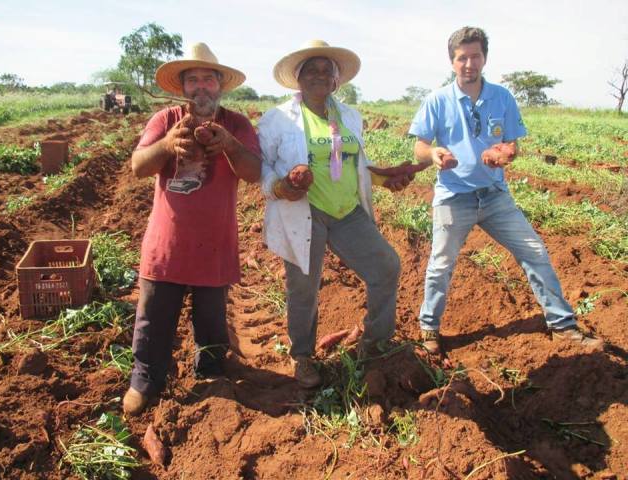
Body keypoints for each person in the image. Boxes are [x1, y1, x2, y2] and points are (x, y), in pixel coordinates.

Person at [409, 26, 603, 354]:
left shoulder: (502, 97)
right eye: (461, 58)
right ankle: (429, 329)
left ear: (484, 57)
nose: (469, 63)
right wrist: (433, 154)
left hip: (495, 196)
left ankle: (562, 326)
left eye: (475, 56)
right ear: (452, 62)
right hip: (453, 196)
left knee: (535, 252)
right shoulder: (437, 100)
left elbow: (513, 143)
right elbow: (419, 146)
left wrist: (507, 152)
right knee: (441, 263)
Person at [258, 40, 421, 388]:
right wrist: (281, 185)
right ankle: (302, 357)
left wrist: (385, 175)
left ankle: (375, 344)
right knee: (304, 288)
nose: (319, 75)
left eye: (326, 71)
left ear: (335, 81)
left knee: (386, 266)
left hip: (347, 211)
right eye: (311, 70)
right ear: (298, 78)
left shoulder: (349, 116)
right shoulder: (277, 119)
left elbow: (354, 164)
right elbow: (263, 167)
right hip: (306, 212)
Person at [123, 43, 262, 415]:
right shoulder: (165, 120)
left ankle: (212, 373)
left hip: (214, 244)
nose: (201, 86)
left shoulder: (237, 124)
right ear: (183, 87)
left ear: (220, 85)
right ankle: (145, 381)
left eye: (208, 79)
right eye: (193, 80)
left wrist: (230, 145)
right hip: (166, 243)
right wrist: (168, 144)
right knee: (153, 317)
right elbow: (138, 166)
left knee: (212, 320)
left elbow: (254, 172)